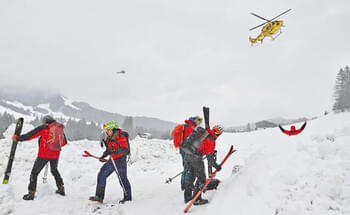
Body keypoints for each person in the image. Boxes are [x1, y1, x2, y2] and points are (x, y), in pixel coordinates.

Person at [13, 115, 67, 200]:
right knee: (54, 170)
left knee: (34, 173)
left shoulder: (44, 127)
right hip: (55, 154)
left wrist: (18, 138)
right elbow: (64, 142)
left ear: (45, 122)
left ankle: (31, 194)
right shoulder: (58, 128)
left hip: (44, 154)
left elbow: (30, 135)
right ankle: (61, 188)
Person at [89, 121, 132, 204]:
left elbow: (125, 149)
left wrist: (113, 151)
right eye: (107, 130)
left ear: (113, 130)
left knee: (122, 179)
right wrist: (103, 156)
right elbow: (109, 150)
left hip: (120, 161)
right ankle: (99, 196)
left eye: (108, 130)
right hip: (112, 160)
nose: (107, 132)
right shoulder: (109, 138)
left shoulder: (121, 136)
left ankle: (128, 198)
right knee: (101, 174)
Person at [180, 124, 223, 205]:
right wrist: (217, 167)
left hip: (187, 155)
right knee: (201, 179)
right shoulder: (211, 140)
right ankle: (197, 199)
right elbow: (209, 157)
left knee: (191, 177)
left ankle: (187, 198)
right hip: (196, 159)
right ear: (218, 134)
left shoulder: (204, 133)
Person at [180, 116, 203, 191]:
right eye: (199, 121)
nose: (199, 123)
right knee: (187, 167)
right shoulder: (190, 127)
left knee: (186, 167)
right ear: (195, 121)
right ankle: (186, 186)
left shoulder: (186, 126)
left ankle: (184, 184)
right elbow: (189, 140)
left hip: (184, 149)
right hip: (186, 150)